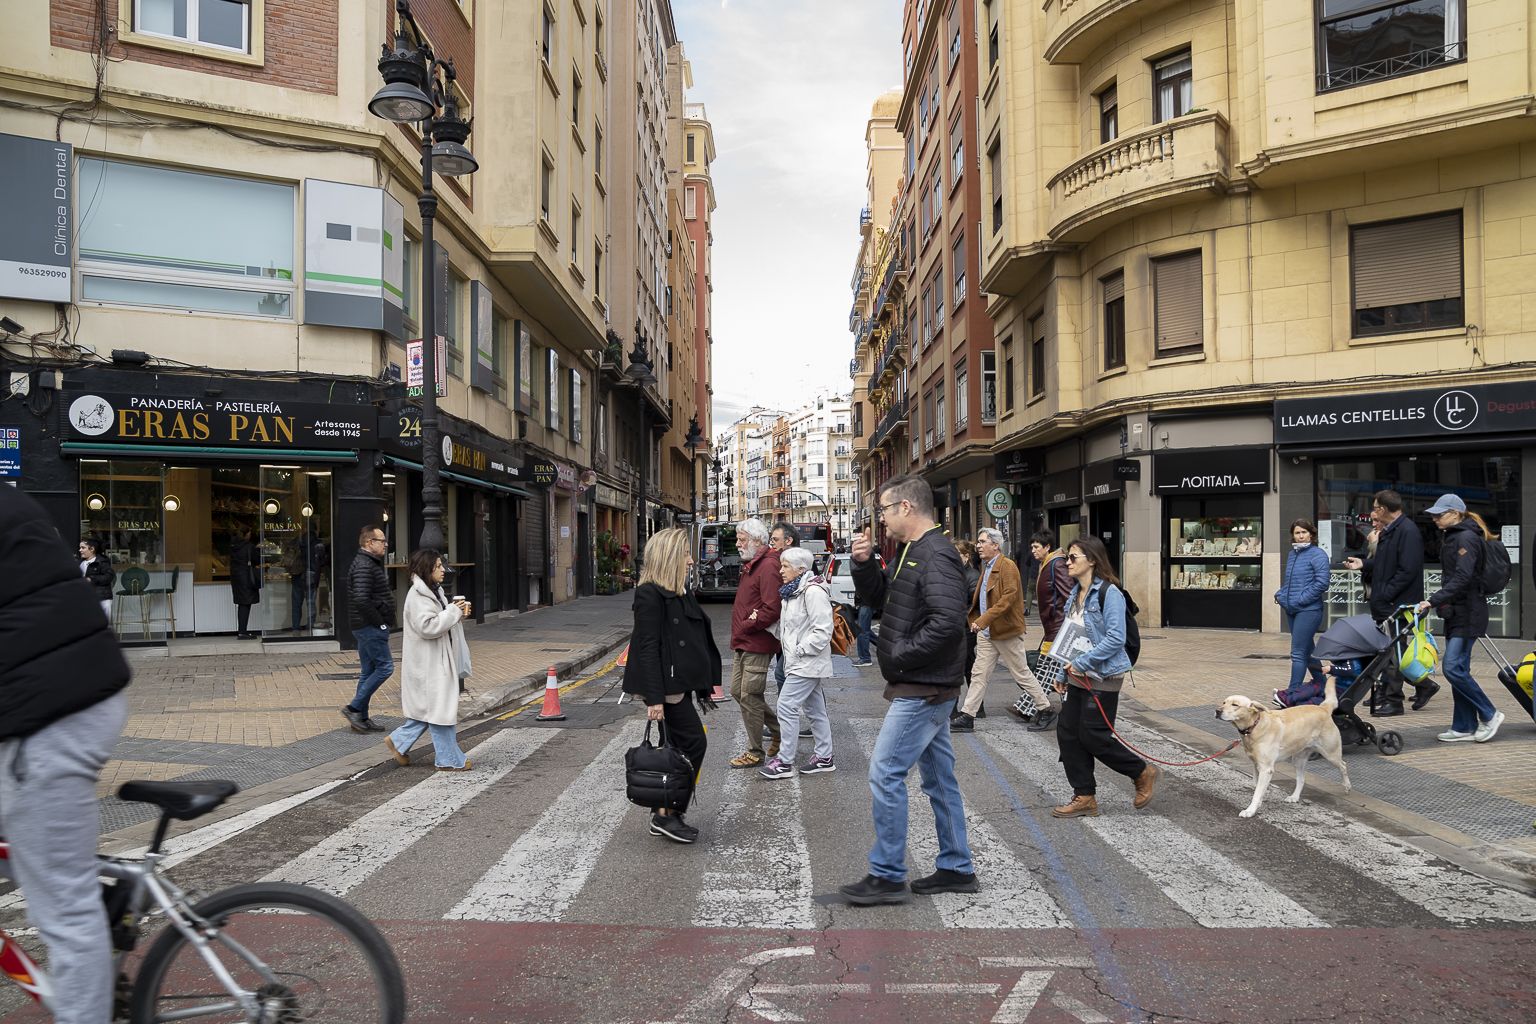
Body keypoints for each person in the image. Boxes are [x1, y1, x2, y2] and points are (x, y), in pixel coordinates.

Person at [1, 485, 132, 1024]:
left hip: (45, 714)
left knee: (64, 911)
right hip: (68, 694)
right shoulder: (12, 501)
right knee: (43, 857)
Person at [839, 474, 977, 905]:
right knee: (939, 780)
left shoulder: (935, 554)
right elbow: (883, 600)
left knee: (885, 772)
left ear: (906, 507)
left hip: (924, 687)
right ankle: (957, 867)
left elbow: (948, 624)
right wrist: (864, 565)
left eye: (884, 509)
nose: (880, 518)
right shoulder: (910, 551)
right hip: (925, 683)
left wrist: (899, 655)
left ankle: (887, 875)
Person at [1050, 535, 1159, 819]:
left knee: (1093, 735)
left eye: (1073, 557)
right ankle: (1084, 796)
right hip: (1077, 674)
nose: (1067, 563)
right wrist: (1063, 670)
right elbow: (1071, 635)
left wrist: (1081, 662)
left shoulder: (1110, 594)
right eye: (1067, 558)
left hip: (1103, 674)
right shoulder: (1075, 594)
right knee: (1068, 733)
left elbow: (1115, 638)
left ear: (1092, 560)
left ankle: (1141, 771)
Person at [622, 527, 719, 843]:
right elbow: (647, 647)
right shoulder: (649, 594)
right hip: (665, 688)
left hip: (679, 683)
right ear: (669, 557)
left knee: (676, 748)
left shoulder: (678, 590)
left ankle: (666, 812)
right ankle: (666, 813)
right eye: (686, 554)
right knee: (692, 743)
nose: (691, 560)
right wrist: (654, 699)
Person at [1416, 494, 1505, 744]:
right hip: (1458, 612)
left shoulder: (1466, 537)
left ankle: (1490, 714)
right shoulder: (1455, 535)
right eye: (1433, 514)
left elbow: (1463, 578)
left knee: (1452, 667)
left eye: (1440, 514)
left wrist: (1433, 600)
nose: (1435, 519)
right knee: (1460, 669)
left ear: (1456, 513)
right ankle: (1464, 726)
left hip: (1469, 613)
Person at [954, 528, 1056, 733]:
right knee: (979, 674)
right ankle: (968, 715)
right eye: (978, 542)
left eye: (982, 542)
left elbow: (1007, 599)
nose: (978, 546)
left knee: (1021, 673)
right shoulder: (987, 566)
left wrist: (983, 620)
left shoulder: (1007, 566)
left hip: (1006, 631)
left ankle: (1045, 709)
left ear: (995, 545)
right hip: (988, 633)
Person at [1343, 489, 1435, 715]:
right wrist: (1363, 564)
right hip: (1387, 603)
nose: (1373, 513)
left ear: (1383, 509)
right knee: (1389, 651)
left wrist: (1384, 593)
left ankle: (1394, 701)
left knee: (1393, 653)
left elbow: (1407, 571)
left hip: (1397, 604)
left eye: (1375, 508)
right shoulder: (1390, 531)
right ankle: (1404, 690)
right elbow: (1385, 564)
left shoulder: (1407, 531)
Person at [385, 549, 473, 771]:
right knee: (440, 710)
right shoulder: (417, 596)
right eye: (438, 566)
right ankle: (448, 759)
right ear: (427, 569)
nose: (443, 570)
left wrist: (458, 614)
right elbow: (427, 627)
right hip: (428, 664)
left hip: (435, 661)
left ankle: (399, 741)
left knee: (431, 709)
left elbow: (441, 621)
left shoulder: (434, 591)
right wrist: (453, 612)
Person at [760, 547, 837, 779]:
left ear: (801, 569)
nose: (781, 570)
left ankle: (784, 761)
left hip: (806, 662)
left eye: (785, 566)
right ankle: (824, 757)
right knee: (815, 710)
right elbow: (791, 628)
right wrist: (765, 624)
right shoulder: (793, 591)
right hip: (801, 661)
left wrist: (800, 649)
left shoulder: (811, 592)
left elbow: (823, 629)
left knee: (786, 706)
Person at [728, 518, 782, 768]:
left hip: (757, 641)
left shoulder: (768, 565)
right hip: (744, 640)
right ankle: (778, 730)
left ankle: (755, 752)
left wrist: (748, 624)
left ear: (757, 540)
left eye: (742, 540)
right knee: (737, 692)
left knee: (750, 695)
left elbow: (772, 608)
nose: (738, 544)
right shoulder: (753, 564)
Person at [1272, 519, 1330, 708]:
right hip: (1291, 609)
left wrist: (1300, 599)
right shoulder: (1292, 554)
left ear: (1311, 534)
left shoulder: (1318, 554)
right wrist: (1281, 595)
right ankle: (1324, 686)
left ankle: (1292, 694)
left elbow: (1322, 583)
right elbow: (1290, 582)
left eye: (1304, 532)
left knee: (1297, 653)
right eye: (1297, 533)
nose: (1301, 536)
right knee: (1308, 651)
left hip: (1309, 610)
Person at [342, 524, 396, 733]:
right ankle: (353, 708)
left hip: (364, 625)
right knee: (385, 667)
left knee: (368, 672)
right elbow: (361, 599)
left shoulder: (368, 563)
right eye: (381, 541)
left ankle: (361, 718)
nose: (385, 544)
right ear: (369, 542)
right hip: (369, 626)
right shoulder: (365, 565)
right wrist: (380, 622)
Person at [767, 522, 800, 691]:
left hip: (797, 636)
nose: (771, 543)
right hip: (786, 634)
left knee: (782, 674)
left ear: (788, 541)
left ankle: (785, 707)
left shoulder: (800, 563)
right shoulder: (779, 562)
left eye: (775, 539)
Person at [952, 538, 983, 720]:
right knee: (969, 666)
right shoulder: (957, 573)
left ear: (966, 556)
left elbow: (974, 604)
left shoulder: (972, 576)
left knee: (957, 666)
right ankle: (977, 706)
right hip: (961, 626)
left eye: (957, 554)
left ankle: (952, 709)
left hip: (966, 627)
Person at [1030, 530, 1072, 653]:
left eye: (1036, 547)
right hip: (1051, 628)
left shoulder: (1057, 564)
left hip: (1057, 627)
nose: (1033, 550)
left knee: (1047, 661)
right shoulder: (1045, 564)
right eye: (1032, 547)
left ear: (1047, 547)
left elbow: (1070, 596)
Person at [227, 525, 261, 639]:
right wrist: (258, 549)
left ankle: (242, 631)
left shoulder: (233, 546)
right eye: (250, 533)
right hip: (246, 578)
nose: (250, 535)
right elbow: (257, 560)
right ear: (246, 535)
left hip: (236, 578)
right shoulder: (249, 547)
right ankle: (242, 632)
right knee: (245, 604)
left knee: (242, 604)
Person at [77, 536, 115, 621]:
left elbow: (109, 576)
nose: (80, 550)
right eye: (80, 548)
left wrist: (91, 579)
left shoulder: (102, 562)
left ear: (92, 549)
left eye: (83, 548)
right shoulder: (80, 563)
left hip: (102, 599)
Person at [852, 588, 875, 667]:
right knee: (864, 630)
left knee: (862, 631)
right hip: (866, 602)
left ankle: (865, 658)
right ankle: (884, 647)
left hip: (867, 602)